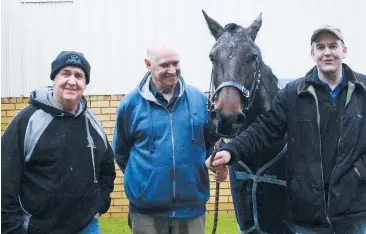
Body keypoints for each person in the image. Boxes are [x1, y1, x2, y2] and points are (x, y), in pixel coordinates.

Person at [206, 25, 366, 233]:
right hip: (309, 218)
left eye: (333, 46)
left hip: (353, 213)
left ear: (343, 51)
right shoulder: (294, 93)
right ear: (313, 54)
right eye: (320, 47)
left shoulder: (363, 91)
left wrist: (358, 172)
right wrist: (230, 150)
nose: (327, 52)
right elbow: (265, 129)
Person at [112, 39, 227, 234]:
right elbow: (122, 154)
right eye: (164, 65)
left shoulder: (199, 100)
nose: (172, 70)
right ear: (148, 65)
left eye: (176, 63)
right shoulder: (130, 104)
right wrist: (147, 182)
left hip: (192, 210)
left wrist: (220, 160)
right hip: (146, 214)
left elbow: (214, 141)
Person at [1, 51, 116, 234]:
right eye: (65, 73)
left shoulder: (92, 122)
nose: (72, 81)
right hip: (38, 228)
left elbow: (107, 169)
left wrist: (99, 204)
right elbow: (5, 178)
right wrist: (11, 227)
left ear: (85, 84)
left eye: (79, 76)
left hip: (86, 227)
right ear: (54, 78)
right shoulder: (28, 120)